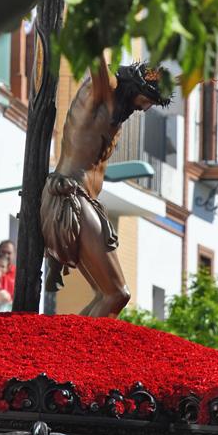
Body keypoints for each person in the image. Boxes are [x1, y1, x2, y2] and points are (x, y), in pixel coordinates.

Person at [41, 57, 170, 318]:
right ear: (134, 87)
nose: (145, 108)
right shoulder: (104, 90)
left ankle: (69, 341)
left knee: (106, 294)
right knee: (118, 294)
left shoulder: (116, 105)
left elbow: (159, 80)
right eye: (146, 100)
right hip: (70, 197)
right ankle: (74, 345)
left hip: (83, 200)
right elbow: (95, 57)